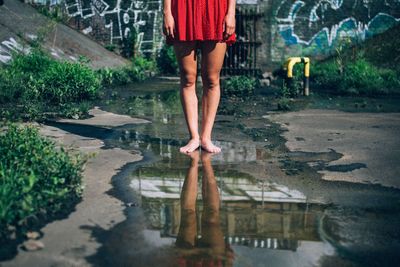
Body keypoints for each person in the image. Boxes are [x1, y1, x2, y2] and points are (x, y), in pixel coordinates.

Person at [162, 0, 237, 153]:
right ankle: (194, 137)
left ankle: (206, 138)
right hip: (184, 8)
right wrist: (167, 12)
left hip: (216, 9)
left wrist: (231, 13)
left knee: (211, 79)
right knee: (188, 78)